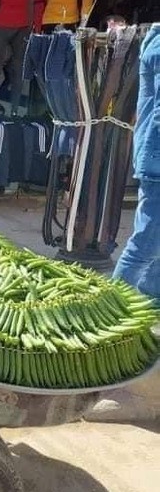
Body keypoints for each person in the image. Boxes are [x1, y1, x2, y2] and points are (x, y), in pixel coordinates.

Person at [112, 23, 160, 305]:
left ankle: (149, 303)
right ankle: (111, 309)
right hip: (156, 159)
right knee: (145, 244)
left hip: (153, 154)